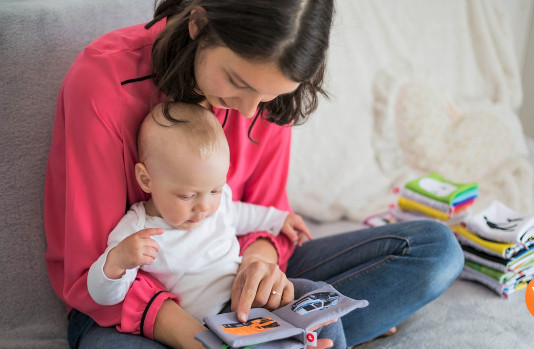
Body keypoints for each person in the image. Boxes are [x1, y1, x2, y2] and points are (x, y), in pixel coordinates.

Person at [44, 0, 464, 348]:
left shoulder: (265, 95)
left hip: (232, 275)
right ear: (199, 23)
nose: (248, 112)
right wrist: (200, 340)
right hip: (127, 308)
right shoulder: (101, 83)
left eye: (272, 95)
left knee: (436, 251)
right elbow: (91, 271)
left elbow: (265, 213)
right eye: (236, 82)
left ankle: (290, 333)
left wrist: (258, 268)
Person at [86, 102, 345, 346]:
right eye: (187, 196)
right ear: (146, 179)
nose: (204, 207)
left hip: (248, 299)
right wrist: (117, 263)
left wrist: (279, 220)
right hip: (207, 326)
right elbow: (105, 296)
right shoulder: (137, 230)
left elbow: (242, 214)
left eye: (215, 191)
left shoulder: (216, 203)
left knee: (318, 295)